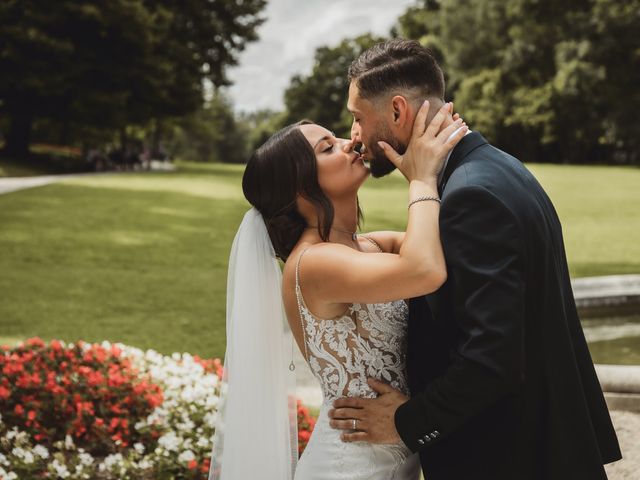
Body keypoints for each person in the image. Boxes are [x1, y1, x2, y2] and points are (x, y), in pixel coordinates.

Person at [328, 39, 622, 480]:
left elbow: (493, 357)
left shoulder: (470, 197)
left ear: (396, 112)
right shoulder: (496, 167)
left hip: (511, 458)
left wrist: (406, 424)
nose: (354, 135)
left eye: (357, 117)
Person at [210, 100, 468, 479]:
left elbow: (444, 246)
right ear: (300, 188)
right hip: (348, 467)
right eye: (327, 147)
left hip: (396, 459)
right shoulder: (313, 264)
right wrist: (421, 178)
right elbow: (424, 269)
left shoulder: (372, 247)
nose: (351, 143)